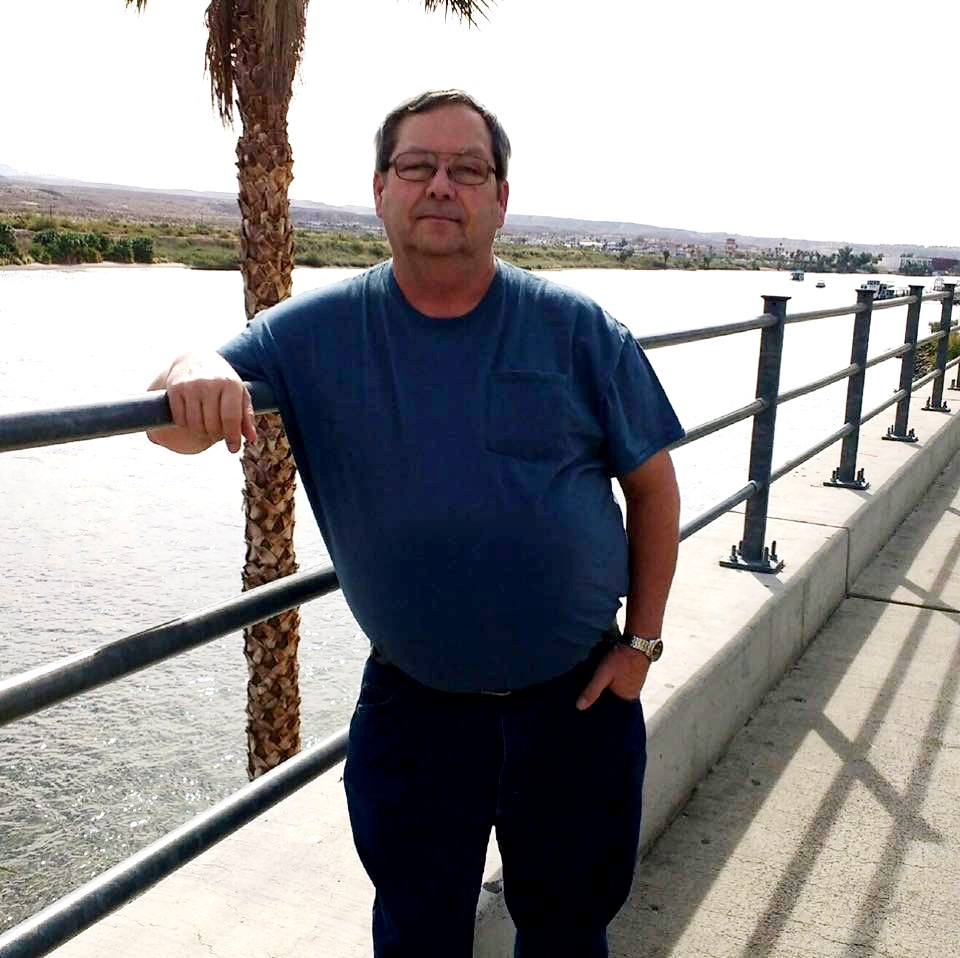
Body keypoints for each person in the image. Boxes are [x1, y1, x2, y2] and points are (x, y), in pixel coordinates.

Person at [147, 89, 684, 958]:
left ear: (500, 199)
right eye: (417, 166)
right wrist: (193, 364)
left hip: (577, 704)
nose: (441, 185)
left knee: (568, 934)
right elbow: (170, 424)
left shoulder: (578, 331)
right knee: (415, 940)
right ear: (380, 189)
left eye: (467, 169)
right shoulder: (313, 333)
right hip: (415, 714)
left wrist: (641, 648)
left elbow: (653, 490)